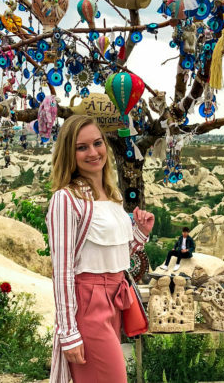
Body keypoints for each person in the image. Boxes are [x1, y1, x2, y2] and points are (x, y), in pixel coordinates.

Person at [46, 115, 155, 383]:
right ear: (69, 154)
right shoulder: (66, 199)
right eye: (82, 147)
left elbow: (111, 256)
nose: (93, 152)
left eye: (97, 143)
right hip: (89, 304)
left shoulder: (111, 195)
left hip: (114, 300)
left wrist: (140, 233)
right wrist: (69, 333)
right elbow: (62, 272)